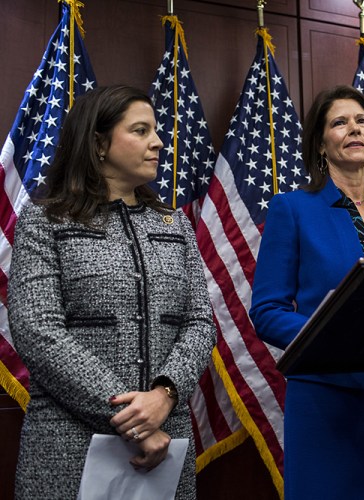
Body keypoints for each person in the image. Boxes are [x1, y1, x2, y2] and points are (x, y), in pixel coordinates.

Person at [7, 85, 216, 499]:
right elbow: (38, 332)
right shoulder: (45, 220)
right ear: (99, 143)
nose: (158, 142)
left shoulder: (175, 225)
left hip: (165, 439)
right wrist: (132, 418)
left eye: (155, 130)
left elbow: (200, 323)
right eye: (140, 130)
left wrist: (165, 393)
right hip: (68, 443)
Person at [249, 85, 364, 500]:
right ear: (321, 143)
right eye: (339, 122)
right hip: (325, 399)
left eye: (362, 120)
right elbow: (268, 310)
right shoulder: (292, 209)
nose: (354, 128)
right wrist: (332, 333)